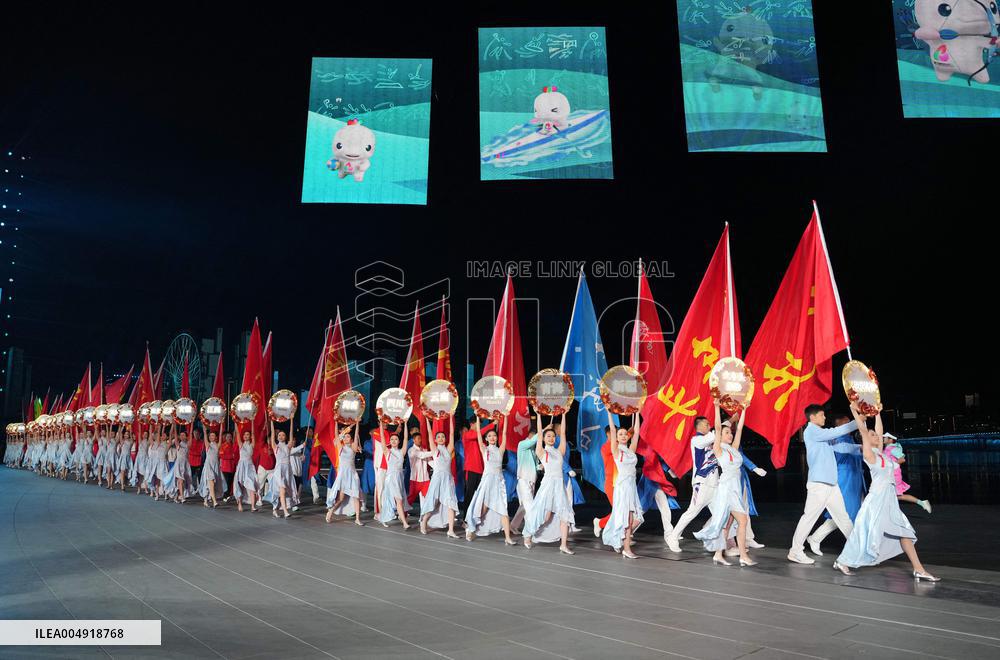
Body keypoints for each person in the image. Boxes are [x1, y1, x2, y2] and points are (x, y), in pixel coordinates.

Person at [834, 404, 940, 581]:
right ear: (866, 439)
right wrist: (854, 410)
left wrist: (878, 413)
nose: (877, 435)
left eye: (876, 434)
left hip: (889, 499)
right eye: (873, 435)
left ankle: (918, 569)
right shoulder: (869, 454)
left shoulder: (882, 453)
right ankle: (843, 560)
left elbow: (879, 428)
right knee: (865, 533)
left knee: (904, 531)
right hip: (876, 500)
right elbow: (862, 429)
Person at [788, 404, 859, 564]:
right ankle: (795, 551)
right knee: (809, 518)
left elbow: (842, 446)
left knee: (843, 518)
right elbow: (836, 432)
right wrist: (857, 421)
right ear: (812, 417)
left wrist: (862, 448)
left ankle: (857, 548)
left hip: (831, 485)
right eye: (822, 415)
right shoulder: (812, 431)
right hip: (819, 485)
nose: (825, 418)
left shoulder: (822, 436)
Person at [693, 403, 756, 567]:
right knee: (741, 520)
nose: (730, 434)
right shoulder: (718, 449)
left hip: (735, 488)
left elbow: (740, 429)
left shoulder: (733, 449)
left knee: (727, 523)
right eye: (726, 432)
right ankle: (743, 555)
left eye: (730, 432)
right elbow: (717, 428)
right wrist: (715, 407)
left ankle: (718, 554)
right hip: (727, 489)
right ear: (720, 436)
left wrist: (744, 411)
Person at [805, 414, 866, 556]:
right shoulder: (836, 439)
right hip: (845, 479)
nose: (848, 425)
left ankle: (858, 545)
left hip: (855, 478)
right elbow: (845, 452)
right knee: (845, 513)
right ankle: (817, 538)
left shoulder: (850, 438)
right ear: (840, 426)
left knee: (853, 512)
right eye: (845, 423)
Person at [522, 412, 574, 554]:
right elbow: (539, 433)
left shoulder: (560, 451)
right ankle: (528, 533)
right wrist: (538, 415)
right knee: (544, 516)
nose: (551, 438)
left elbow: (563, 433)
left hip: (559, 486)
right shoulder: (542, 451)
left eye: (553, 436)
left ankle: (563, 544)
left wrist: (564, 414)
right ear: (544, 438)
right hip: (547, 485)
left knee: (565, 514)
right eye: (548, 436)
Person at [666, 417, 717, 552]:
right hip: (702, 483)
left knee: (721, 514)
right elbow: (717, 432)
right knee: (692, 512)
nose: (709, 425)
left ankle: (707, 534)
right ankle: (673, 536)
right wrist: (723, 418)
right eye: (707, 424)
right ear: (699, 426)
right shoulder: (697, 440)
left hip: (715, 484)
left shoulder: (710, 440)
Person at [464, 416, 514, 544]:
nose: (492, 437)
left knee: (503, 509)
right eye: (490, 436)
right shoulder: (484, 449)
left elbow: (504, 432)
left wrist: (506, 417)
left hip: (498, 482)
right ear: (486, 439)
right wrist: (477, 416)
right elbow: (479, 435)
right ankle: (471, 528)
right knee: (483, 509)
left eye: (494, 436)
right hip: (487, 481)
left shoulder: (500, 450)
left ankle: (508, 538)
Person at [601, 409, 643, 559]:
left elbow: (637, 432)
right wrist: (608, 413)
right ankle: (625, 547)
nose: (624, 436)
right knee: (625, 518)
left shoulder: (631, 450)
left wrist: (637, 412)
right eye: (620, 434)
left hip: (632, 487)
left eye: (625, 434)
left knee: (632, 518)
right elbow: (612, 430)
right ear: (616, 438)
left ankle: (623, 544)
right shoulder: (616, 450)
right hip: (622, 486)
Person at [418, 413, 459, 537]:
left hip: (447, 479)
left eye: (442, 437)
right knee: (433, 502)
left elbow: (452, 434)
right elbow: (430, 434)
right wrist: (426, 419)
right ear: (436, 440)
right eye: (438, 437)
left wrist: (451, 417)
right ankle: (424, 521)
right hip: (437, 478)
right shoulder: (435, 450)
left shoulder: (449, 449)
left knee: (451, 503)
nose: (441, 438)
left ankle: (450, 530)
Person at [883, 434, 932, 514]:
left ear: (890, 440)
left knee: (890, 495)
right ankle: (922, 503)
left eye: (885, 437)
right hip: (889, 474)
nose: (883, 438)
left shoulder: (893, 449)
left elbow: (902, 459)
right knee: (895, 496)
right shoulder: (888, 448)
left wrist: (890, 466)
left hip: (894, 475)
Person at [325, 421, 363, 525]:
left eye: (348, 437)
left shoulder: (354, 447)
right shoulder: (340, 447)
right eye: (344, 437)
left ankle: (358, 518)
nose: (346, 438)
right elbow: (337, 436)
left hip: (352, 474)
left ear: (350, 439)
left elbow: (356, 435)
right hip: (343, 474)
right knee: (341, 498)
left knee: (356, 496)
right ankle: (331, 511)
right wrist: (336, 422)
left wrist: (357, 424)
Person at [377, 421, 411, 528]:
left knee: (394, 500)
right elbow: (382, 438)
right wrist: (381, 424)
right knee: (399, 500)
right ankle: (405, 523)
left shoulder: (402, 452)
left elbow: (406, 438)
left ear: (399, 441)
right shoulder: (387, 451)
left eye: (396, 439)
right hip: (391, 478)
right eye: (392, 439)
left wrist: (405, 423)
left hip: (400, 478)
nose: (394, 441)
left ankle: (384, 517)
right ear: (390, 441)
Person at [264, 421, 299, 518]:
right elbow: (272, 435)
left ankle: (275, 509)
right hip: (279, 471)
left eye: (283, 435)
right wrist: (271, 422)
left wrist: (292, 420)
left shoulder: (288, 446)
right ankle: (285, 511)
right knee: (282, 490)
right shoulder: (275, 446)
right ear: (277, 437)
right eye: (279, 435)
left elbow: (291, 433)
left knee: (282, 492)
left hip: (287, 470)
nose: (281, 436)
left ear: (286, 437)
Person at [232, 429, 261, 512]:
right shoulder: (241, 444)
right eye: (244, 434)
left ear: (250, 436)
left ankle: (253, 506)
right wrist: (235, 421)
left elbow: (253, 433)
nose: (246, 436)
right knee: (240, 485)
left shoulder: (252, 445)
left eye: (247, 434)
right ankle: (240, 503)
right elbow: (237, 433)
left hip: (249, 467)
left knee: (252, 485)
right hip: (241, 466)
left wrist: (252, 421)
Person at [198, 429, 227, 508]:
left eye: (213, 435)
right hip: (208, 466)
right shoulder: (208, 445)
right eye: (210, 435)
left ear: (216, 437)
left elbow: (221, 435)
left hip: (215, 466)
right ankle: (214, 502)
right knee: (211, 482)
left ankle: (205, 500)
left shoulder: (218, 445)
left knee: (212, 484)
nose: (211, 437)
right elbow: (205, 435)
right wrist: (204, 427)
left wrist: (221, 424)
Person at [406, 427, 431, 507]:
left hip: (425, 479)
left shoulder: (424, 449)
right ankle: (402, 512)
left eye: (421, 438)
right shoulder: (411, 450)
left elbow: (429, 461)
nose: (420, 440)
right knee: (411, 498)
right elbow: (421, 455)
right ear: (414, 440)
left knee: (428, 498)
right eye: (418, 438)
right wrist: (434, 451)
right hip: (415, 480)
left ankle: (423, 516)